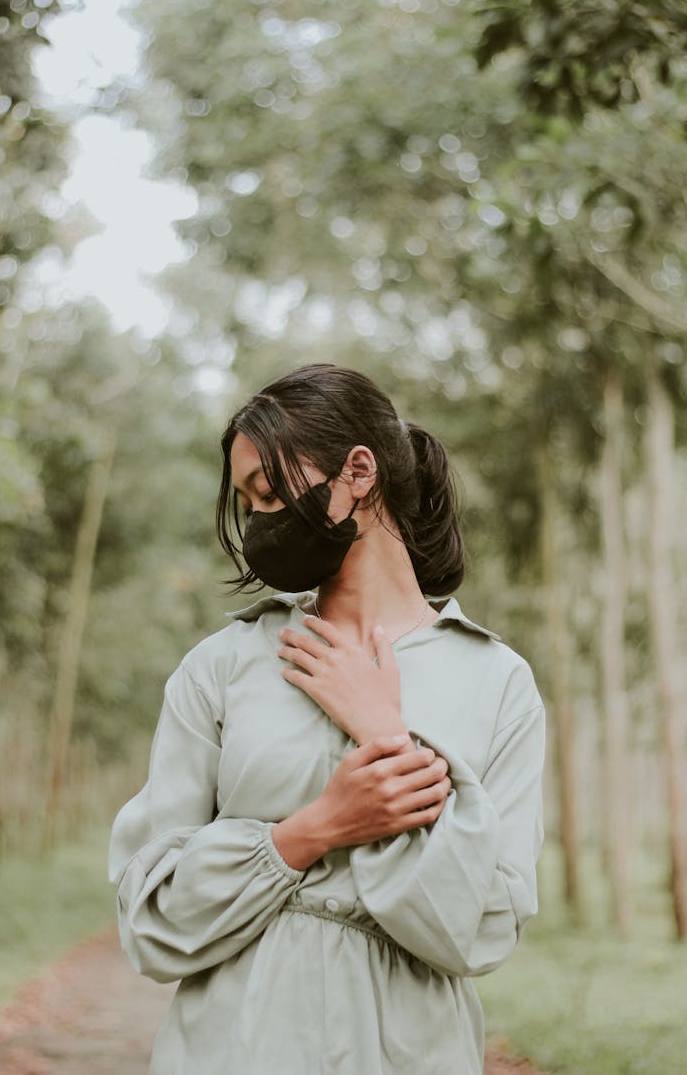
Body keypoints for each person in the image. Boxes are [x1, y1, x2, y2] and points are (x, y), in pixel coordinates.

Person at [108, 362, 545, 1075]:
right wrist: (315, 828)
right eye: (249, 502)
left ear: (359, 472)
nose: (259, 523)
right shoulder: (221, 666)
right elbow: (153, 920)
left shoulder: (499, 683)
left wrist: (385, 734)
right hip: (231, 1051)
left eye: (270, 492)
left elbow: (484, 929)